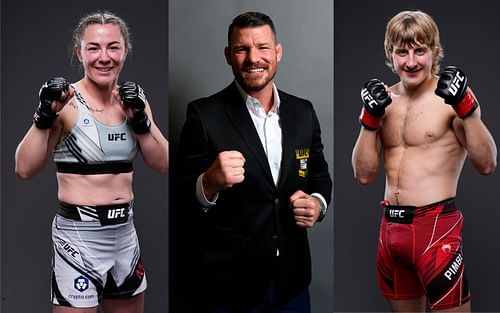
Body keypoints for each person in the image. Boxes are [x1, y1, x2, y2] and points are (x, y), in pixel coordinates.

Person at [177, 11, 332, 313]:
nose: (253, 58)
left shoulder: (304, 112)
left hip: (293, 282)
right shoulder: (203, 114)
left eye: (262, 48)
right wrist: (208, 182)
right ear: (228, 55)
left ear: (278, 52)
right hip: (229, 286)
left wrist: (318, 203)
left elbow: (320, 176)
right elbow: (181, 199)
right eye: (241, 49)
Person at [14, 11, 168, 313]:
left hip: (125, 236)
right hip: (79, 239)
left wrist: (141, 120)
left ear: (126, 50)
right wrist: (44, 116)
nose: (104, 57)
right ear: (79, 52)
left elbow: (162, 163)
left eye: (113, 46)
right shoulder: (66, 103)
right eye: (94, 48)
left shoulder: (134, 100)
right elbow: (24, 169)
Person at [352, 10, 497, 312]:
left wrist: (466, 108)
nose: (411, 62)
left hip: (436, 230)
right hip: (390, 232)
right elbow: (364, 174)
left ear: (434, 51)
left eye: (420, 51)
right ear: (390, 54)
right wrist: (369, 119)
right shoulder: (383, 100)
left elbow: (487, 164)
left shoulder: (451, 99)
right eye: (402, 52)